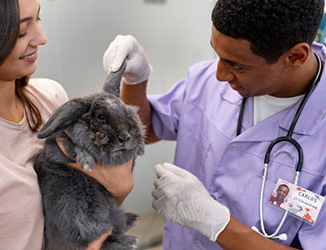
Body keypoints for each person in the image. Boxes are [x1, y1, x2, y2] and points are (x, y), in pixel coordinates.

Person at [102, 0, 326, 249]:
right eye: (218, 55)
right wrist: (136, 79)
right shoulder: (206, 80)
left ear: (295, 57)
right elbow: (145, 132)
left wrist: (217, 224)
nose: (220, 74)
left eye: (237, 65)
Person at [0, 0, 133, 249]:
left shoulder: (49, 99)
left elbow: (82, 209)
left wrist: (119, 189)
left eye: (39, 19)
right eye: (22, 31)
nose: (42, 38)